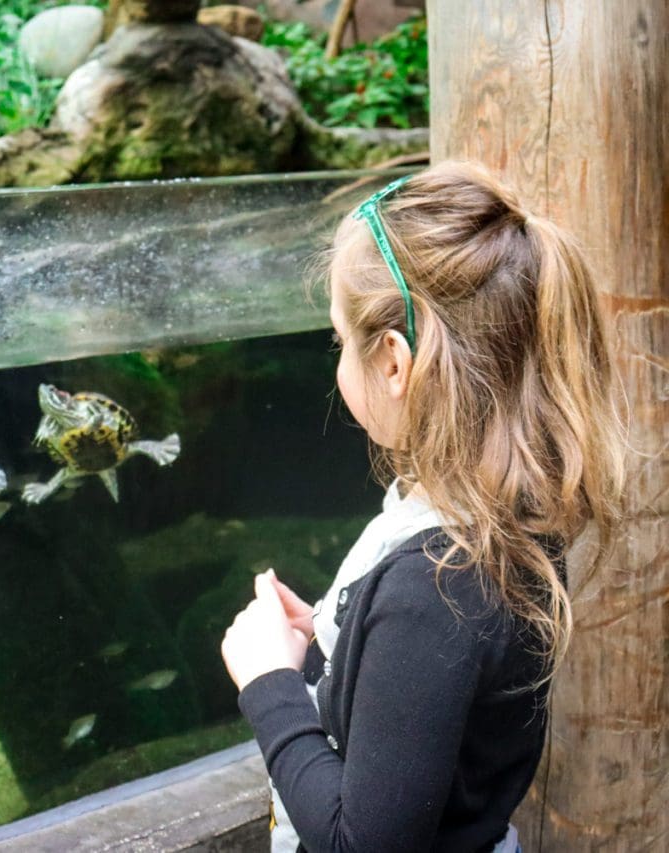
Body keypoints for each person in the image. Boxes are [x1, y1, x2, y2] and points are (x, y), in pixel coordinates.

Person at [221, 161, 624, 852]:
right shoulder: (504, 521)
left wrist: (270, 684)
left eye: (340, 341)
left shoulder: (437, 587)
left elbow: (362, 843)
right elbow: (429, 696)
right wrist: (334, 641)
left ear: (393, 362)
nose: (337, 360)